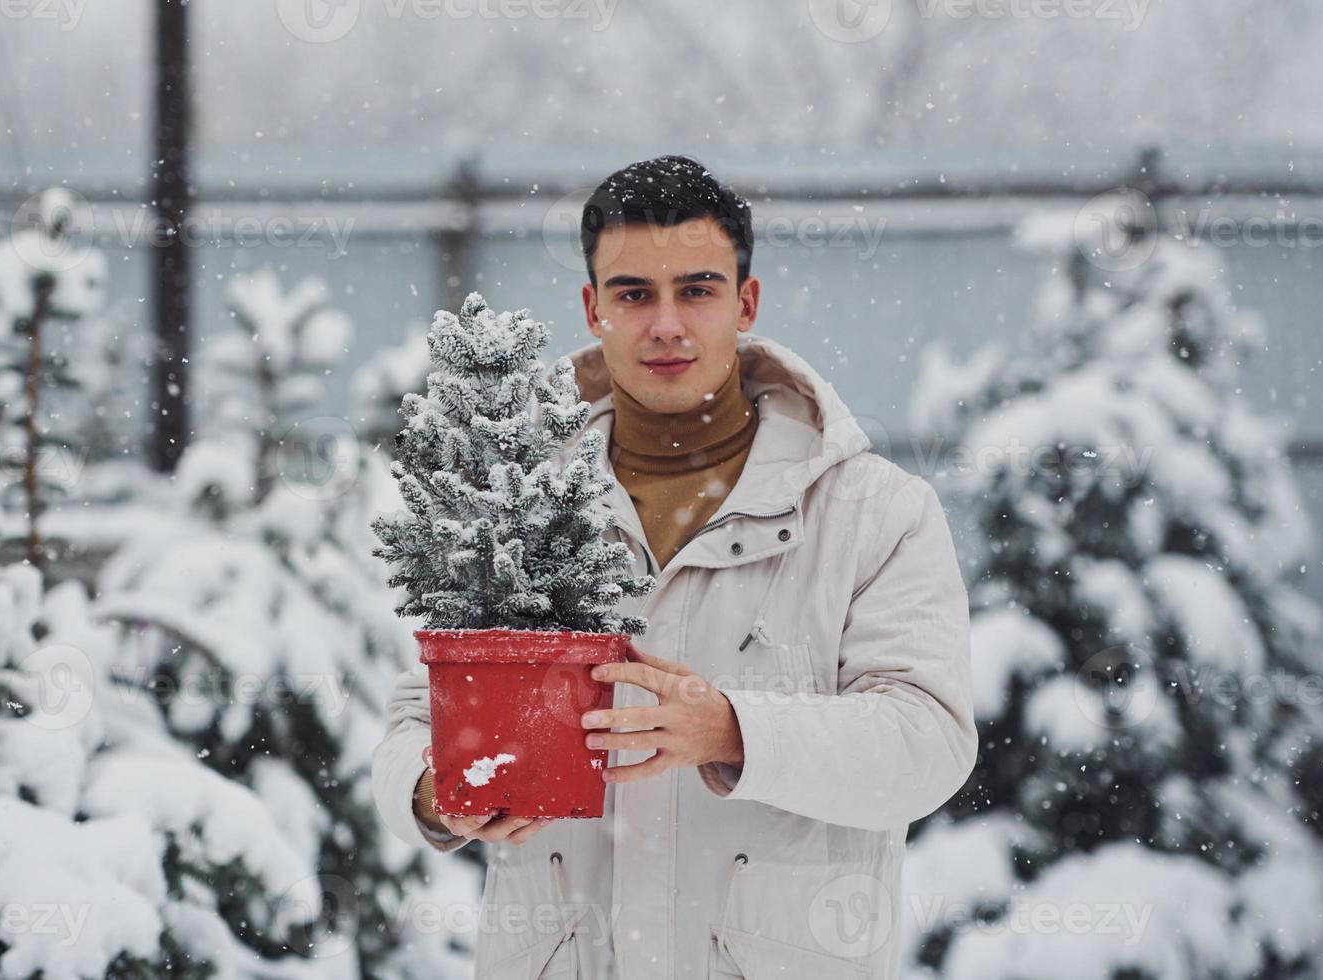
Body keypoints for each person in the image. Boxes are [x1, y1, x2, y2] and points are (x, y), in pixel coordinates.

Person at [372, 154, 977, 979]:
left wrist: (733, 731)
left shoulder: (871, 512)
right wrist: (434, 793)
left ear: (744, 302)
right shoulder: (515, 503)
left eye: (695, 289)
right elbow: (419, 716)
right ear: (592, 309)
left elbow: (926, 743)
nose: (665, 324)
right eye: (633, 294)